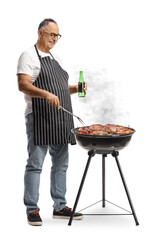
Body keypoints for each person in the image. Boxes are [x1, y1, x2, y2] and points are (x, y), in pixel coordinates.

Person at [17, 18, 87, 226]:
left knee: (61, 165)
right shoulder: (28, 56)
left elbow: (60, 89)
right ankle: (32, 209)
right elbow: (23, 85)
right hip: (39, 117)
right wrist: (45, 94)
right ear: (40, 33)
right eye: (51, 35)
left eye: (57, 35)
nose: (55, 39)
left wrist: (76, 88)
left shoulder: (56, 58)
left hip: (61, 118)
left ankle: (60, 207)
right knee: (35, 164)